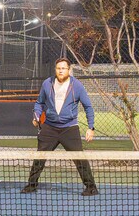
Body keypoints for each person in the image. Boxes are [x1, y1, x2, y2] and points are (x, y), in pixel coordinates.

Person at [21, 58, 98, 196]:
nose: (61, 70)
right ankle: (31, 185)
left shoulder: (77, 86)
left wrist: (90, 128)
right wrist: (36, 116)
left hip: (70, 128)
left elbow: (88, 107)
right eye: (58, 68)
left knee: (80, 158)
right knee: (40, 157)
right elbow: (39, 103)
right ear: (55, 70)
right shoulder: (47, 83)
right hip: (49, 128)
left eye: (63, 68)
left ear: (69, 70)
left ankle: (91, 187)